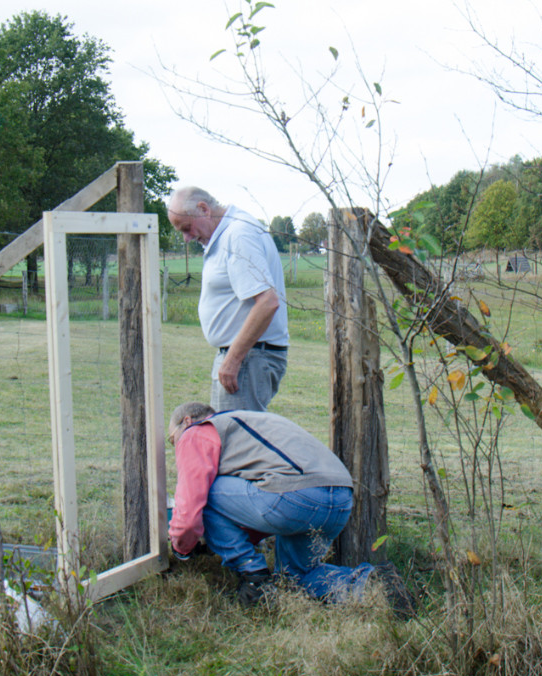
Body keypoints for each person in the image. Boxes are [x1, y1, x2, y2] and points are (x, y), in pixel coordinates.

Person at [167, 401, 412, 615]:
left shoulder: (196, 432)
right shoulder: (248, 425)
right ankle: (372, 586)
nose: (174, 445)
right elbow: (250, 511)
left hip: (294, 496)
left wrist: (181, 548)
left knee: (204, 491)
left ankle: (254, 577)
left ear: (186, 421)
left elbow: (190, 508)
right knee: (295, 579)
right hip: (339, 499)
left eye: (171, 439)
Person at [166, 185, 288, 411]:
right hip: (246, 357)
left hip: (248, 358)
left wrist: (232, 360)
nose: (186, 238)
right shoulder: (228, 234)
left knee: (236, 442)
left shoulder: (237, 235)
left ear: (203, 209)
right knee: (230, 438)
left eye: (187, 228)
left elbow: (268, 302)